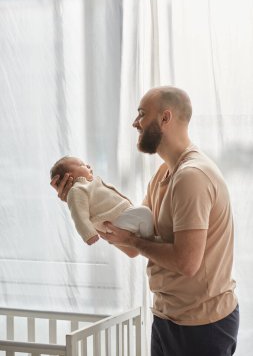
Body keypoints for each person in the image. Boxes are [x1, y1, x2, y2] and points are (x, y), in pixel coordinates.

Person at [51, 86, 239, 356]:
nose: (134, 123)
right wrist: (85, 206)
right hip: (167, 317)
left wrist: (133, 240)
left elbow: (186, 262)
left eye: (141, 114)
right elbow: (130, 245)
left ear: (165, 118)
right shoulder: (164, 174)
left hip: (202, 324)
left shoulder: (192, 176)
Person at [50, 156, 154, 245]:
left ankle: (147, 240)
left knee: (141, 219)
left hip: (118, 215)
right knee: (144, 213)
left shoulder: (88, 185)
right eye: (82, 165)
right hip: (114, 219)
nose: (88, 166)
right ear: (70, 176)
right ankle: (151, 241)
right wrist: (88, 234)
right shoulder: (77, 190)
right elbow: (79, 215)